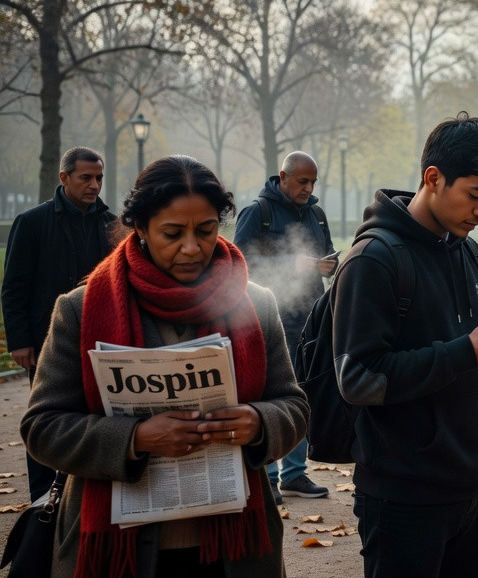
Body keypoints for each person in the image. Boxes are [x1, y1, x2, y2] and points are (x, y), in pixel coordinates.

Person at [21, 155, 308, 577]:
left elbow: (294, 406)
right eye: (172, 233)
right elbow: (42, 427)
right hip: (120, 552)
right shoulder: (80, 310)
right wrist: (135, 438)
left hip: (235, 554)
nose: (192, 247)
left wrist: (258, 422)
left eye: (206, 231)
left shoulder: (256, 303)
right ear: (139, 228)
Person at [332, 113, 478, 578]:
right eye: (475, 194)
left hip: (472, 483)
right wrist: (465, 351)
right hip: (402, 492)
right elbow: (358, 379)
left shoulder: (470, 253)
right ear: (433, 178)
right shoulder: (373, 260)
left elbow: (472, 366)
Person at [2, 146, 117, 502]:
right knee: (47, 418)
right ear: (64, 177)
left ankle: (81, 494)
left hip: (100, 337)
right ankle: (43, 499)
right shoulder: (33, 222)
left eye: (99, 178)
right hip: (44, 338)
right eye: (86, 177)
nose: (94, 185)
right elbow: (14, 286)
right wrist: (20, 341)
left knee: (95, 415)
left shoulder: (110, 224)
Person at [233, 150, 335, 503]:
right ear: (284, 176)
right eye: (303, 181)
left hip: (310, 318)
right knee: (268, 394)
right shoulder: (257, 213)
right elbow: (238, 261)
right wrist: (295, 262)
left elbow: (327, 253)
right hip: (268, 318)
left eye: (313, 182)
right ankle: (267, 475)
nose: (308, 188)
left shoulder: (317, 215)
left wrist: (326, 265)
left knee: (302, 394)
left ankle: (294, 474)